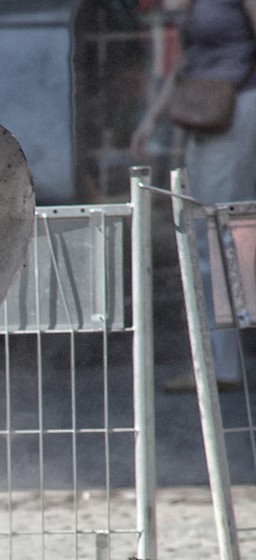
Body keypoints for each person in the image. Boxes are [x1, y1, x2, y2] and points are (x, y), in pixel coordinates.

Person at [131, 0, 256, 392]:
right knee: (213, 233)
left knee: (224, 233)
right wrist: (152, 119)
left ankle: (222, 366)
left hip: (235, 103)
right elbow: (188, 62)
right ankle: (219, 363)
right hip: (210, 105)